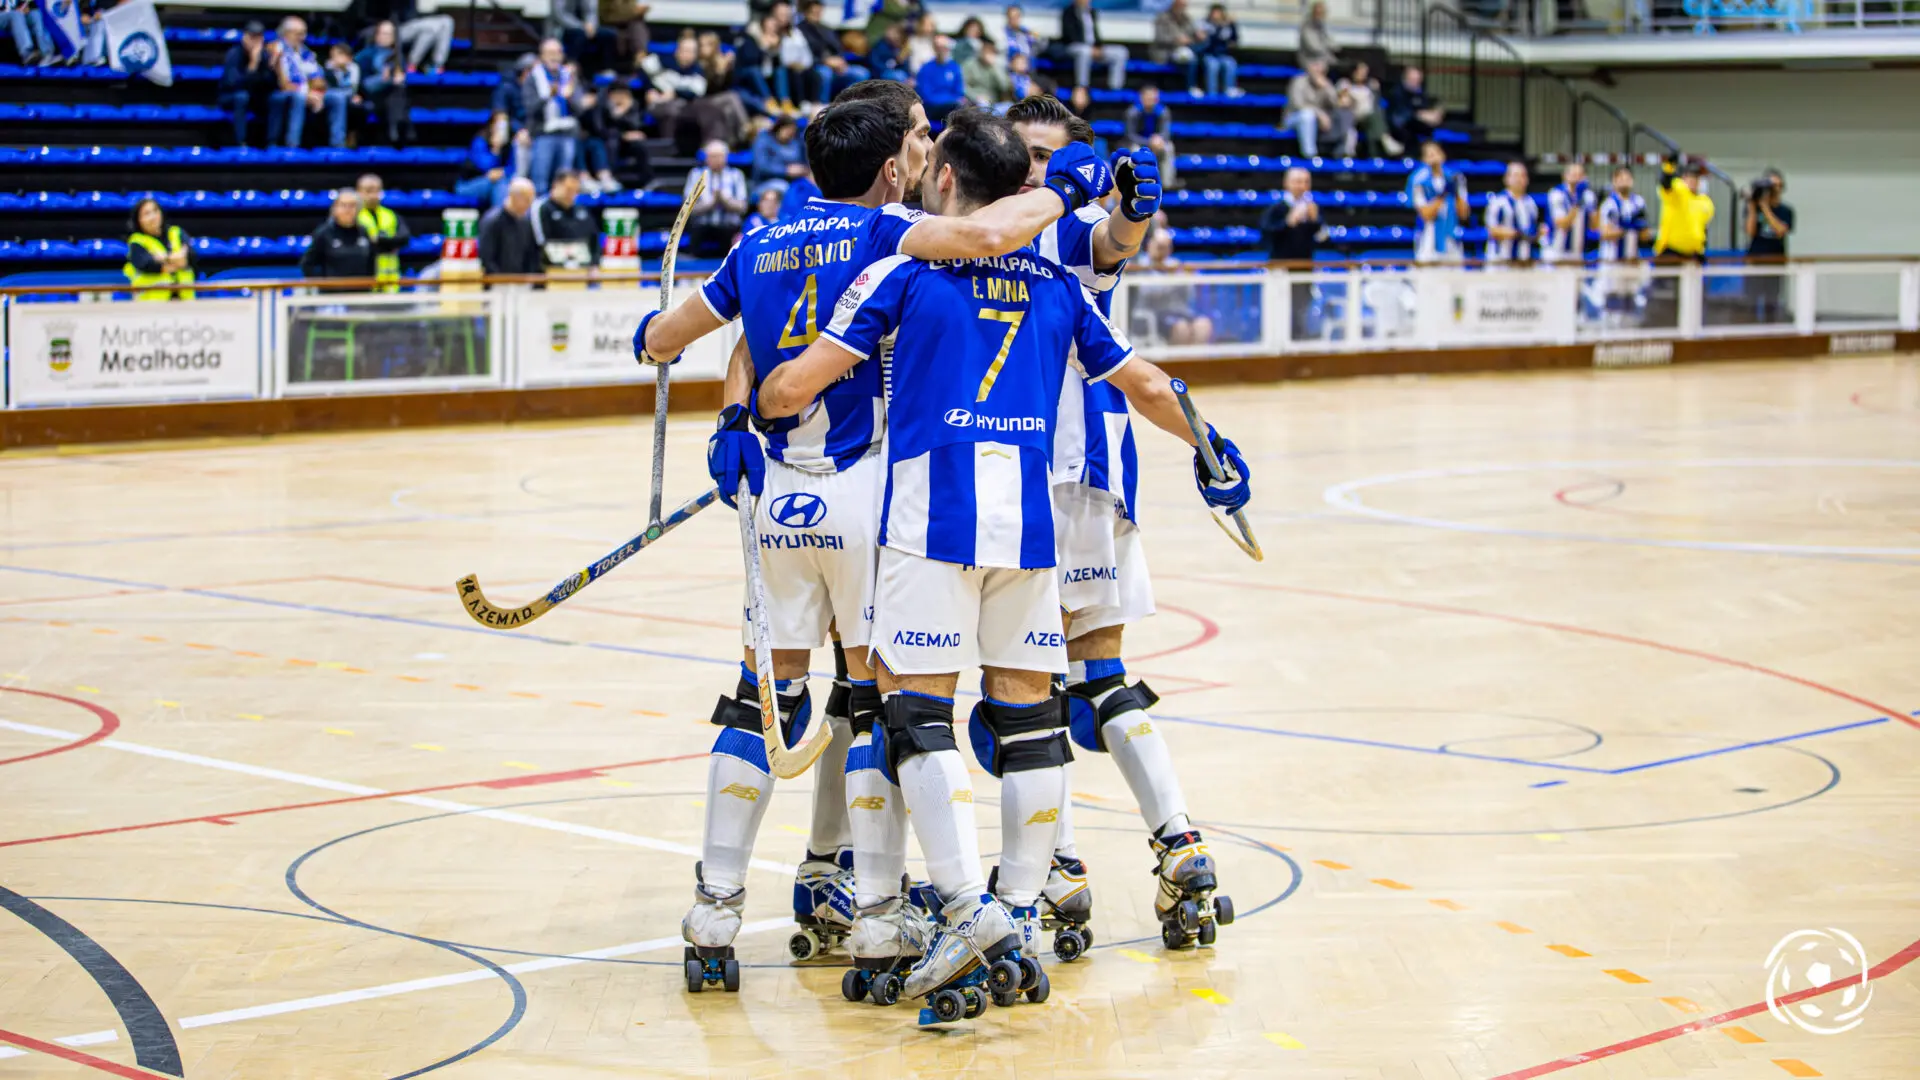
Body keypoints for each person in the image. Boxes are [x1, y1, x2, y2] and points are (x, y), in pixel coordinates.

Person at [758, 107, 1248, 1007]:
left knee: (916, 716)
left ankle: (957, 904)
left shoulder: (901, 269)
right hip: (1029, 531)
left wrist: (759, 410)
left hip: (927, 524)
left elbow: (795, 385)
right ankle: (1019, 911)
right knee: (1031, 721)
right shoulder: (1063, 291)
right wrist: (1210, 442)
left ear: (944, 182)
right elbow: (1144, 383)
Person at [637, 84, 1117, 995]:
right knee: (874, 699)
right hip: (866, 495)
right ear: (893, 165)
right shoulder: (890, 233)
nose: (926, 148)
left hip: (774, 500)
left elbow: (673, 337)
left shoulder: (758, 239)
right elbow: (984, 238)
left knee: (761, 695)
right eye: (916, 138)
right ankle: (879, 915)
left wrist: (726, 400)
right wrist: (1072, 190)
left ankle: (715, 908)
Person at [1004, 90, 1229, 960]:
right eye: (1024, 155)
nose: (1036, 173)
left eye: (1051, 161)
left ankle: (1057, 866)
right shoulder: (1000, 224)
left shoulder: (1048, 231)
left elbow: (1109, 244)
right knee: (1104, 674)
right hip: (1100, 470)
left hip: (1050, 479)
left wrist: (1132, 213)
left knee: (1032, 686)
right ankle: (1180, 843)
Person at [1261, 167, 1327, 337]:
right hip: (1281, 270)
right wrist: (1288, 223)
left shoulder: (1313, 209)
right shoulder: (1276, 209)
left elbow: (1324, 239)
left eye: (1306, 182)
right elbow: (1266, 234)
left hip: (1304, 269)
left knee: (1301, 310)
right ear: (1287, 184)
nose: (1302, 186)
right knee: (1281, 312)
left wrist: (1316, 222)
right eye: (1297, 181)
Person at [1135, 230, 1211, 344]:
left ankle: (1194, 361)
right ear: (1149, 246)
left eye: (1166, 247)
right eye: (1159, 246)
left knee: (1203, 324)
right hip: (1154, 314)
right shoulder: (1141, 266)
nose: (1163, 251)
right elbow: (1147, 292)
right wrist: (1173, 280)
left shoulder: (1174, 264)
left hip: (1179, 312)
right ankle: (1178, 361)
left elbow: (1190, 295)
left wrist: (1188, 279)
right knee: (1181, 328)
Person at [1597, 165, 1650, 324]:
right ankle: (1609, 333)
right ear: (1614, 181)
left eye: (1627, 178)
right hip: (1613, 260)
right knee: (1612, 298)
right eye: (1620, 178)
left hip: (1632, 260)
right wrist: (1625, 229)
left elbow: (1645, 234)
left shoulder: (1639, 202)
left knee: (1631, 298)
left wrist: (1637, 228)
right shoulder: (1609, 204)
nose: (1624, 181)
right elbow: (1605, 233)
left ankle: (1629, 333)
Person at [526, 38, 580, 194]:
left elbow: (579, 110)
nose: (554, 57)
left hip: (567, 135)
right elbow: (530, 109)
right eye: (550, 53)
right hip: (543, 134)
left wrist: (569, 98)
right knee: (540, 183)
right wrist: (547, 96)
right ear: (542, 55)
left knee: (564, 183)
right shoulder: (533, 78)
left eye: (557, 52)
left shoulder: (569, 77)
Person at [684, 139, 750, 256]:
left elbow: (742, 207)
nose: (716, 160)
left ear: (726, 157)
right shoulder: (695, 174)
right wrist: (711, 203)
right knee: (695, 230)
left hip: (728, 225)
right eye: (712, 156)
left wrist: (725, 201)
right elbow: (688, 208)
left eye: (719, 156)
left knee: (734, 235)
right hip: (702, 224)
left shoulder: (736, 175)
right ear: (706, 158)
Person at [123, 197, 195, 300]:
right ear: (138, 220)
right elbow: (146, 264)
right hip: (152, 303)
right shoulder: (136, 241)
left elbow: (190, 257)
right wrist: (175, 260)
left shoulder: (176, 232)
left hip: (184, 299)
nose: (153, 217)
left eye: (155, 211)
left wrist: (163, 258)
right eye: (146, 214)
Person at [356, 22, 416, 147]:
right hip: (371, 96)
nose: (385, 37)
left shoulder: (398, 57)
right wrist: (387, 81)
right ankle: (400, 128)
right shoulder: (365, 55)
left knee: (398, 92)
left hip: (391, 98)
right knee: (396, 91)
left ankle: (396, 128)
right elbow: (364, 85)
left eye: (389, 34)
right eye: (382, 33)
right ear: (376, 35)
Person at [581, 83, 650, 191]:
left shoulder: (631, 104)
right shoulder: (601, 105)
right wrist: (621, 134)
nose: (621, 97)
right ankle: (610, 177)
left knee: (640, 144)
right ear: (611, 94)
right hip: (606, 140)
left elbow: (636, 125)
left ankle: (646, 179)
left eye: (624, 94)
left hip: (623, 141)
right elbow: (600, 130)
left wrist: (624, 110)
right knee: (611, 143)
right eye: (618, 94)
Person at [268, 17, 324, 149]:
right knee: (299, 98)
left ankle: (336, 145)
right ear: (286, 33)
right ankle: (292, 145)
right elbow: (284, 84)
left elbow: (319, 80)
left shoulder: (305, 52)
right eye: (298, 33)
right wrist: (306, 93)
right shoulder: (275, 49)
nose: (302, 37)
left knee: (336, 97)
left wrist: (314, 93)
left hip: (305, 91)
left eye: (304, 33)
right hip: (279, 93)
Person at [1408, 139, 1467, 263]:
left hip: (1451, 237)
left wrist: (1455, 193)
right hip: (1428, 241)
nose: (1433, 157)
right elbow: (1426, 214)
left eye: (1436, 152)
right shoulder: (1419, 180)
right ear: (1424, 159)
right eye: (1429, 154)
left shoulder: (1456, 177)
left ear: (1443, 155)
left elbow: (1464, 213)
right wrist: (1443, 194)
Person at [1745, 168, 1793, 321]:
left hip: (1776, 261)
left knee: (1771, 303)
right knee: (1750, 302)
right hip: (1755, 260)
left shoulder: (1786, 210)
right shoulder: (1755, 207)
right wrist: (1753, 208)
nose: (1774, 190)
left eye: (1777, 186)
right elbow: (1750, 231)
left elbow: (1780, 230)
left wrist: (1765, 208)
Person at [218, 21, 274, 148]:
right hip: (229, 96)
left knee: (276, 98)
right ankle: (241, 143)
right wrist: (252, 66)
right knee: (241, 96)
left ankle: (272, 143)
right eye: (252, 37)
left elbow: (269, 82)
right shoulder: (234, 54)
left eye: (258, 38)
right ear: (245, 37)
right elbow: (232, 83)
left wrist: (274, 67)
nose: (255, 42)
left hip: (255, 97)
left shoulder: (265, 56)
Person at [532, 169, 599, 271]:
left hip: (581, 270)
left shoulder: (582, 210)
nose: (572, 194)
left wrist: (594, 264)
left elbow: (594, 241)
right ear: (556, 185)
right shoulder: (542, 207)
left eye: (576, 191)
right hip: (551, 269)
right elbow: (540, 242)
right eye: (569, 189)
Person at [798, 0, 864, 102]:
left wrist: (840, 61)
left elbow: (838, 48)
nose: (817, 15)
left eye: (819, 12)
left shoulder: (826, 29)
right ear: (806, 12)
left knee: (860, 73)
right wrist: (825, 61)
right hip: (815, 66)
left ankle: (847, 104)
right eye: (814, 12)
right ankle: (821, 105)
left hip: (836, 66)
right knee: (825, 72)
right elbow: (803, 57)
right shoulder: (799, 30)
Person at [300, 192, 376, 280]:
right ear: (335, 208)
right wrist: (322, 285)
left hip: (362, 291)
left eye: (352, 205)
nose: (348, 209)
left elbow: (371, 263)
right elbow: (307, 263)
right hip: (333, 292)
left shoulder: (364, 232)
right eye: (343, 205)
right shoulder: (324, 232)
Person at [355, 173, 411, 290]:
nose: (374, 195)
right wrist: (389, 242)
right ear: (359, 192)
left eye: (377, 190)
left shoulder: (390, 214)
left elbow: (404, 238)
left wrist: (378, 240)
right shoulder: (354, 216)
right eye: (369, 191)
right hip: (365, 279)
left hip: (391, 280)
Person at [1285, 59, 1348, 159]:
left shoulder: (1326, 83)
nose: (1318, 70)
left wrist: (1327, 87)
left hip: (1319, 122)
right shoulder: (1299, 81)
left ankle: (1341, 154)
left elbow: (1335, 104)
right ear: (1309, 68)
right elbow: (1298, 105)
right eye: (1315, 66)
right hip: (1294, 118)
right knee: (1307, 115)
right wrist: (1319, 114)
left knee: (1342, 115)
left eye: (1321, 67)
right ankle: (1310, 155)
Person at [478, 178, 542, 276]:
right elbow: (486, 258)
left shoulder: (526, 222)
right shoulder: (492, 221)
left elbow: (531, 255)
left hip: (522, 283)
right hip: (497, 284)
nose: (530, 205)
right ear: (515, 197)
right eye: (527, 200)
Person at [1654, 157, 1713, 262]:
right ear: (1683, 178)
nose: (1693, 180)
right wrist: (1669, 167)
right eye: (1689, 176)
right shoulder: (1677, 191)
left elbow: (1703, 228)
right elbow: (1666, 184)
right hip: (1671, 252)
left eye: (1696, 177)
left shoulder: (1705, 201)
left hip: (1693, 253)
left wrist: (1701, 249)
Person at [1059, 0, 1127, 91]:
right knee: (1085, 51)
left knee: (1121, 51)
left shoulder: (1092, 12)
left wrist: (1099, 48)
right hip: (1073, 47)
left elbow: (1095, 35)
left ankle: (1115, 87)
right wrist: (1090, 49)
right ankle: (1082, 86)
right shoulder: (1068, 12)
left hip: (1092, 47)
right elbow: (1069, 35)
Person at [457, 112, 520, 208]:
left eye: (504, 126)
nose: (501, 130)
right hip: (469, 184)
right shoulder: (480, 141)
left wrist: (503, 172)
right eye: (498, 125)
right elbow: (485, 167)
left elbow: (513, 169)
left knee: (504, 184)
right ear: (491, 125)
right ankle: (500, 218)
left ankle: (500, 217)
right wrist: (495, 149)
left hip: (498, 183)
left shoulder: (509, 144)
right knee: (499, 184)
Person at [1123, 84, 1177, 191]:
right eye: (1148, 97)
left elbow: (1166, 133)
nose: (1150, 100)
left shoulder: (1163, 112)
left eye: (1153, 98)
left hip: (1157, 143)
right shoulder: (1132, 113)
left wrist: (1159, 140)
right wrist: (1149, 142)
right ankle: (1140, 184)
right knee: (1135, 150)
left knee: (1169, 147)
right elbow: (1130, 135)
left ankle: (1167, 183)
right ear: (1141, 98)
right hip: (1139, 142)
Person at [1484, 161, 1540, 264]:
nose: (1519, 179)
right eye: (1515, 175)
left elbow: (1534, 229)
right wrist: (1518, 234)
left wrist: (1538, 232)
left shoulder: (1531, 203)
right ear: (1506, 179)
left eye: (1522, 176)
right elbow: (1492, 230)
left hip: (1524, 259)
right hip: (1500, 259)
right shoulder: (1498, 202)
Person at [1383, 65, 1444, 156]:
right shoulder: (1397, 93)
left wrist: (1435, 114)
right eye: (1412, 80)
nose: (1415, 83)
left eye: (1418, 80)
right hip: (1401, 131)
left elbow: (1428, 107)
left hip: (1421, 129)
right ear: (1406, 78)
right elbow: (1399, 116)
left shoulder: (1420, 93)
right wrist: (1419, 115)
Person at [1544, 162, 1594, 266]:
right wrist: (1577, 203)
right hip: (1556, 251)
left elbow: (1594, 226)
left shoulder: (1588, 195)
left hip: (1578, 252)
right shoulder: (1556, 194)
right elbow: (1562, 224)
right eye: (1573, 174)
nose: (1577, 178)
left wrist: (1595, 207)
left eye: (1580, 175)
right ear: (1565, 176)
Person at [548, 0, 616, 75]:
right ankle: (570, 65)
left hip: (586, 28)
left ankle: (607, 70)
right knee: (580, 35)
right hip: (564, 28)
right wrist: (581, 26)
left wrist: (591, 24)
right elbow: (560, 15)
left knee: (609, 34)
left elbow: (591, 11)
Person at [392, 0, 454, 76]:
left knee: (447, 21)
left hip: (416, 25)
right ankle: (411, 63)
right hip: (395, 29)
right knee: (431, 28)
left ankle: (436, 65)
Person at [1152, 0, 1201, 96]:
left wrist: (1197, 36)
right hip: (1166, 51)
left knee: (1199, 54)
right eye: (1180, 5)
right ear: (1174, 5)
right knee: (1190, 59)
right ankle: (1190, 86)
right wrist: (1176, 40)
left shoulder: (1187, 19)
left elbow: (1193, 34)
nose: (1182, 8)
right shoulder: (1162, 17)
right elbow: (1159, 37)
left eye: (1184, 5)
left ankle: (1194, 86)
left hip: (1183, 50)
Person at [751, 115, 807, 193]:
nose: (789, 134)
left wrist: (802, 169)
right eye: (787, 130)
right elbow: (762, 166)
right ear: (779, 128)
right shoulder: (763, 140)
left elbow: (804, 162)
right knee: (784, 188)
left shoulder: (795, 143)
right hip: (765, 182)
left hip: (794, 181)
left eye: (792, 132)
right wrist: (786, 170)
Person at [915, 34, 967, 117]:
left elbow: (959, 91)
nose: (942, 50)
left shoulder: (955, 67)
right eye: (938, 47)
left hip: (952, 105)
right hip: (932, 107)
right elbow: (925, 95)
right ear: (934, 49)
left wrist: (953, 101)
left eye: (944, 47)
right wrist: (948, 101)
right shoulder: (926, 68)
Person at [321, 42, 360, 149]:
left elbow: (353, 88)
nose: (335, 59)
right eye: (333, 56)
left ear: (348, 57)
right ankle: (337, 142)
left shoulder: (353, 68)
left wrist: (344, 70)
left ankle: (353, 137)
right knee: (338, 98)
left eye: (338, 55)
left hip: (347, 95)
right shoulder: (328, 67)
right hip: (330, 95)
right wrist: (335, 70)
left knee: (360, 105)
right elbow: (331, 86)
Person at [1198, 5, 1240, 99]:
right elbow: (1211, 41)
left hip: (1223, 55)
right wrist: (1221, 26)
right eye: (1214, 13)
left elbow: (1234, 40)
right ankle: (1212, 93)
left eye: (1218, 13)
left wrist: (1233, 25)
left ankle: (1229, 90)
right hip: (1209, 54)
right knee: (1213, 65)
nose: (1216, 15)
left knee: (1231, 63)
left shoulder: (1228, 26)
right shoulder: (1205, 24)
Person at [1340, 61, 1380, 156]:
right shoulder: (1345, 84)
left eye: (1365, 71)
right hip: (1351, 115)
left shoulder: (1370, 86)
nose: (1363, 74)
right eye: (1361, 71)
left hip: (1366, 118)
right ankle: (1386, 138)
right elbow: (1342, 102)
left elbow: (1375, 103)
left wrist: (1376, 89)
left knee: (1375, 118)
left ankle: (1374, 155)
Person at [963, 37, 1012, 106]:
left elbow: (1004, 87)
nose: (988, 54)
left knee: (1008, 106)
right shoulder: (969, 64)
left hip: (993, 102)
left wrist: (995, 67)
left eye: (991, 51)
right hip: (974, 101)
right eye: (986, 51)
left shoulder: (997, 66)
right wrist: (976, 97)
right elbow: (963, 86)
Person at [1297, 0, 1338, 68]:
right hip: (1310, 60)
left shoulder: (1321, 25)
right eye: (1318, 10)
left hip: (1322, 59)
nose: (1321, 13)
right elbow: (1314, 47)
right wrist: (1328, 48)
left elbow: (1330, 41)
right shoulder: (1307, 26)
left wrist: (1334, 47)